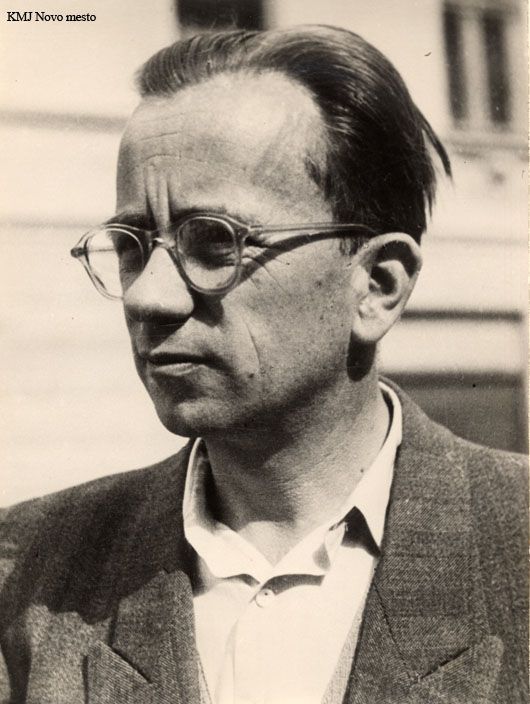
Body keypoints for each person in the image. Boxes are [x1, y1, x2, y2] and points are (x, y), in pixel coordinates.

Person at [0, 25, 526, 704]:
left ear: (377, 286)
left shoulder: (515, 545)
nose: (148, 296)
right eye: (131, 247)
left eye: (214, 242)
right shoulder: (25, 575)